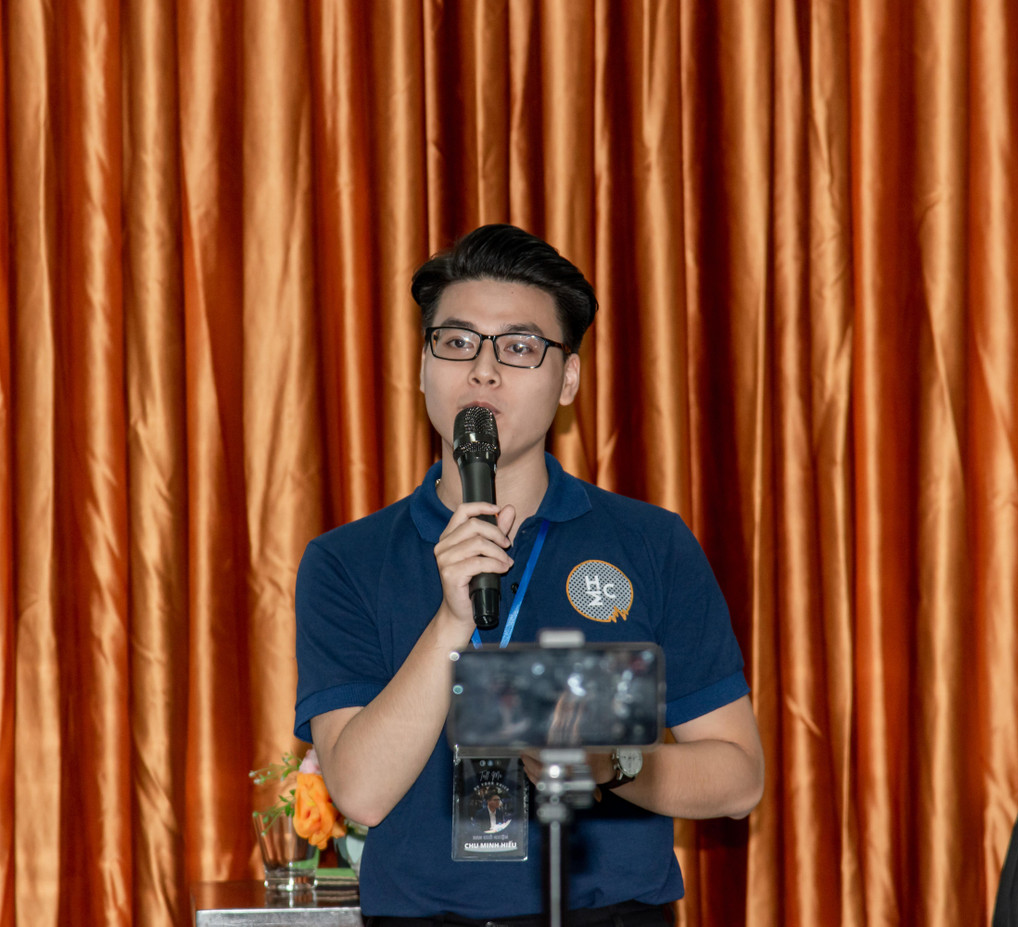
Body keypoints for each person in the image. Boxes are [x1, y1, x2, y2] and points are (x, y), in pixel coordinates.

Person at [294, 224, 764, 926]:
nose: (483, 370)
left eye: (518, 347)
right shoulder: (346, 560)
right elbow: (360, 792)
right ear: (422, 368)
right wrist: (451, 620)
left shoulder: (650, 542)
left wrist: (614, 764)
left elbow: (738, 776)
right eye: (457, 342)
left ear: (568, 378)